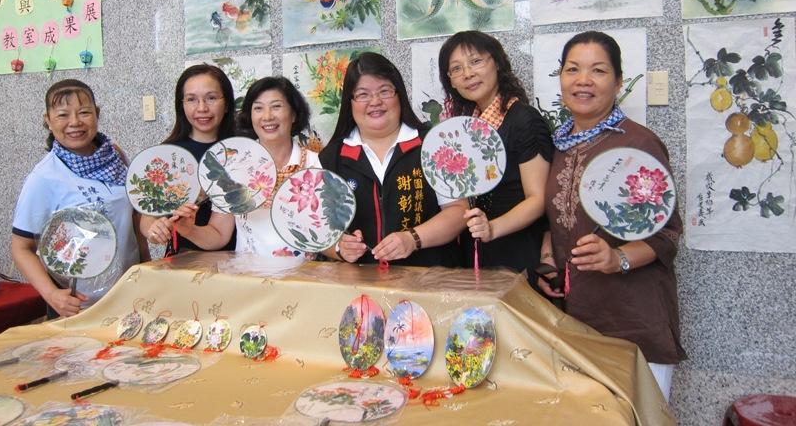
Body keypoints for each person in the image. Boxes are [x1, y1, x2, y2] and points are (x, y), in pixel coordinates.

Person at [538, 31, 686, 400]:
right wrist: (548, 258)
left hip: (634, 319)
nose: (583, 80)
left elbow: (667, 234)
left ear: (618, 82)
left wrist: (617, 257)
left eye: (598, 70)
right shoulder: (559, 145)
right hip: (578, 316)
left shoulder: (638, 143)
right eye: (573, 69)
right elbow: (557, 217)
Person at [150, 77, 320, 268]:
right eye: (258, 108)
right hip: (249, 277)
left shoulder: (317, 164)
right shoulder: (233, 167)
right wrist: (189, 230)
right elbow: (219, 234)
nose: (267, 116)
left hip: (303, 275)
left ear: (294, 114)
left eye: (276, 106)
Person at [11, 79, 146, 317]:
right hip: (79, 305)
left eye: (84, 112)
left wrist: (146, 267)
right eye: (63, 115)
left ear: (97, 114)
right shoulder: (44, 177)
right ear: (48, 120)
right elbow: (21, 247)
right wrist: (52, 295)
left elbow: (134, 220)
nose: (75, 122)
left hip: (130, 292)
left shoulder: (115, 157)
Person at [320, 52, 466, 267]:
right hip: (362, 282)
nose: (375, 101)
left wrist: (413, 239)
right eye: (363, 94)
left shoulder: (434, 145)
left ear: (399, 95)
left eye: (384, 91)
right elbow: (317, 229)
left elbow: (458, 211)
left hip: (430, 278)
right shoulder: (331, 158)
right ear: (350, 102)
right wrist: (339, 248)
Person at [438, 31, 552, 284]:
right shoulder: (467, 126)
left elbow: (538, 199)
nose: (468, 74)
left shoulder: (524, 120)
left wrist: (492, 228)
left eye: (476, 61)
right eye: (456, 68)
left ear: (497, 63)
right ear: (451, 81)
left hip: (516, 252)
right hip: (479, 250)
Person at [139, 64, 237, 254]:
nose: (202, 108)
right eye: (191, 99)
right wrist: (154, 229)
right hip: (183, 261)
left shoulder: (241, 150)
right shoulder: (167, 154)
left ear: (226, 104)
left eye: (211, 98)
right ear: (181, 105)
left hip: (235, 259)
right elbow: (147, 216)